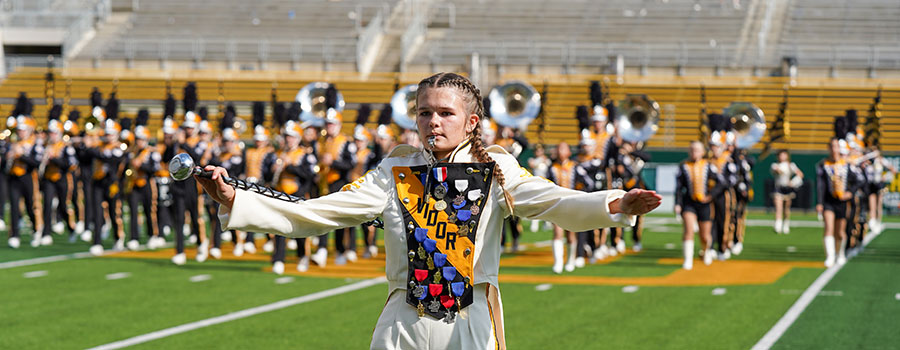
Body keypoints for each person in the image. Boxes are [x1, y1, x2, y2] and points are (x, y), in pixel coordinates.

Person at [198, 72, 660, 349]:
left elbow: (554, 201)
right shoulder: (394, 168)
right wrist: (236, 200)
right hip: (403, 320)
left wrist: (614, 203)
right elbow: (321, 212)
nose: (432, 122)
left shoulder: (496, 167)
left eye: (444, 113)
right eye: (424, 113)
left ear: (471, 121)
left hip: (470, 318)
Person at [675, 140, 725, 270]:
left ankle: (706, 251)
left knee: (704, 235)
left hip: (704, 203)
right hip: (689, 203)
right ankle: (688, 260)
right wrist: (678, 204)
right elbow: (679, 188)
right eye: (692, 150)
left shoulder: (708, 166)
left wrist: (711, 195)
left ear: (703, 152)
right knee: (689, 229)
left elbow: (721, 183)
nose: (694, 153)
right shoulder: (683, 166)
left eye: (697, 150)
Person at [816, 137, 859, 267]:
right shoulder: (823, 165)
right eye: (832, 146)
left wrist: (850, 193)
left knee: (840, 232)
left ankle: (840, 254)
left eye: (836, 147)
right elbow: (820, 185)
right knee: (828, 227)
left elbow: (858, 181)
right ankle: (830, 256)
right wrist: (819, 202)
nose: (834, 149)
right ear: (829, 148)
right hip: (829, 201)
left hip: (842, 202)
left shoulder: (846, 164)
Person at [770, 150, 802, 234]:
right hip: (778, 188)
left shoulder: (791, 165)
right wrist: (782, 169)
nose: (782, 157)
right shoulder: (775, 165)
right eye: (780, 155)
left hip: (788, 189)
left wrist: (793, 182)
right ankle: (778, 224)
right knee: (778, 207)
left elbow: (800, 174)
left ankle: (786, 224)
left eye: (784, 155)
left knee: (786, 209)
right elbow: (777, 171)